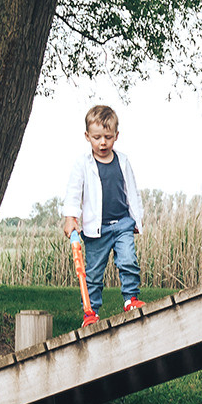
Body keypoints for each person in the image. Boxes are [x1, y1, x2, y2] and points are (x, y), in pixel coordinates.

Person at [62, 104, 146, 326]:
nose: (102, 143)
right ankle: (91, 312)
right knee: (93, 274)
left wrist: (137, 219)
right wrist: (71, 217)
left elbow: (132, 191)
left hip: (122, 225)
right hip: (96, 229)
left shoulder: (123, 161)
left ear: (116, 136)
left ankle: (131, 299)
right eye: (97, 137)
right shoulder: (83, 164)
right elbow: (73, 191)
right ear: (87, 136)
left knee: (128, 260)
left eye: (108, 137)